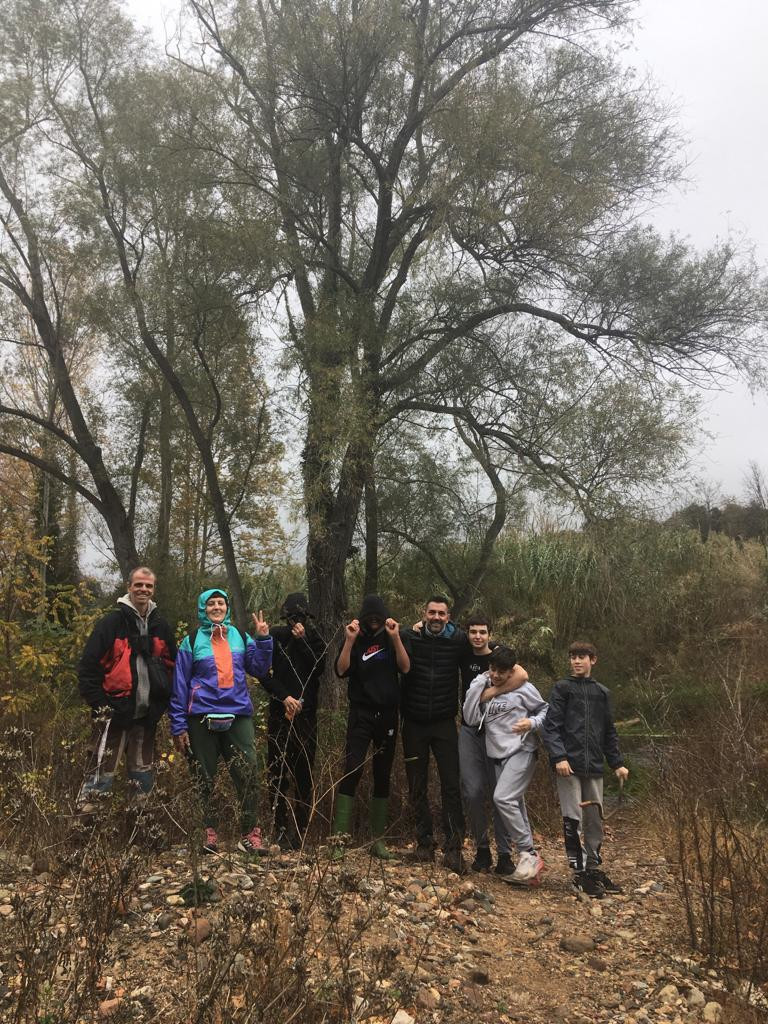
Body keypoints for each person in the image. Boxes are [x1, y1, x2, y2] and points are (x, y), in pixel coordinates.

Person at [169, 589, 273, 854]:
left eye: (221, 603)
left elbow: (259, 669)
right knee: (202, 778)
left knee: (248, 775)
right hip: (200, 718)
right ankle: (207, 835)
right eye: (211, 603)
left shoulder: (240, 636)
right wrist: (178, 725)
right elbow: (180, 685)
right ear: (203, 608)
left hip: (238, 715)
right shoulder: (191, 641)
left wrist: (263, 639)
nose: (217, 607)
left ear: (227, 607)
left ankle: (249, 835)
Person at [77, 566, 176, 808]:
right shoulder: (111, 624)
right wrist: (102, 708)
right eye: (138, 584)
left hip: (146, 718)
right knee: (99, 778)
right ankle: (84, 828)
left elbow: (172, 667)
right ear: (129, 586)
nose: (143, 589)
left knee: (142, 780)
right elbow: (88, 670)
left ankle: (140, 829)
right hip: (113, 717)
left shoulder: (160, 626)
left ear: (154, 589)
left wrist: (160, 705)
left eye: (148, 585)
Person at [541, 640, 630, 898]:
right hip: (568, 767)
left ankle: (593, 868)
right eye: (573, 657)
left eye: (582, 657)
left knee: (595, 820)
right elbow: (551, 726)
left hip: (594, 767)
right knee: (573, 820)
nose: (577, 661)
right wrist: (559, 757)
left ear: (593, 660)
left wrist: (617, 763)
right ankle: (578, 873)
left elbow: (609, 731)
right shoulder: (562, 688)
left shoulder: (602, 692)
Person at [331, 595, 410, 858]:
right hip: (361, 713)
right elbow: (340, 671)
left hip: (387, 715)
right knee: (352, 768)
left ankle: (378, 841)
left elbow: (405, 668)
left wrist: (395, 637)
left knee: (382, 773)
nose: (374, 621)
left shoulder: (393, 637)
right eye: (370, 617)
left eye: (378, 617)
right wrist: (349, 640)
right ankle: (338, 840)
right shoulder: (356, 637)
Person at [463, 646, 548, 885]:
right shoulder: (485, 687)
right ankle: (529, 866)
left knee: (503, 798)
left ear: (512, 671)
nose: (496, 675)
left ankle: (528, 854)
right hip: (497, 754)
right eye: (493, 669)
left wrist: (531, 723)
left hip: (522, 750)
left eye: (502, 671)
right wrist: (480, 687)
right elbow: (470, 718)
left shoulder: (524, 688)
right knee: (515, 802)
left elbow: (545, 710)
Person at [399, 595, 468, 873]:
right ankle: (424, 844)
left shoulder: (459, 640)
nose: (436, 617)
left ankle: (453, 849)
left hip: (444, 723)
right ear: (424, 614)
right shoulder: (410, 636)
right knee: (417, 785)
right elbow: (392, 639)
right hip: (413, 723)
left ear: (448, 617)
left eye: (441, 613)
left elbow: (483, 648)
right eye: (432, 613)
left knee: (451, 784)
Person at [458, 616, 529, 875]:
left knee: (501, 793)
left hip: (498, 732)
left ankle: (505, 854)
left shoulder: (498, 654)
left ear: (490, 634)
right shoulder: (462, 653)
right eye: (473, 632)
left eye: (482, 632)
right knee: (473, 792)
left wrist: (490, 693)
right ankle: (482, 849)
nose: (477, 636)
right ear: (467, 633)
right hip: (470, 731)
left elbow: (522, 674)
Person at [258, 592, 326, 849]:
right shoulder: (275, 636)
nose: (296, 621)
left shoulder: (314, 637)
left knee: (304, 775)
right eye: (292, 617)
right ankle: (280, 828)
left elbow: (319, 668)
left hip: (306, 716)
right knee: (277, 774)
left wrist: (303, 640)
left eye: (301, 616)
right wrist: (283, 696)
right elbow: (263, 673)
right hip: (279, 714)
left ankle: (300, 831)